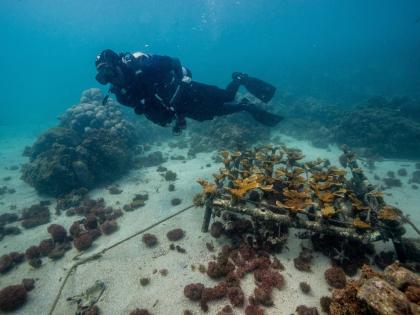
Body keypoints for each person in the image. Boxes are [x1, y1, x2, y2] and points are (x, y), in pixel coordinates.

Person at [95, 49, 283, 134]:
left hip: (187, 89)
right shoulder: (121, 94)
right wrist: (177, 118)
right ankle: (244, 106)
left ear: (117, 65)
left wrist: (182, 80)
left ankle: (240, 80)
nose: (109, 78)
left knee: (227, 97)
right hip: (178, 105)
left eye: (109, 71)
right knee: (209, 115)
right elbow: (151, 107)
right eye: (103, 76)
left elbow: (174, 62)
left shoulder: (142, 65)